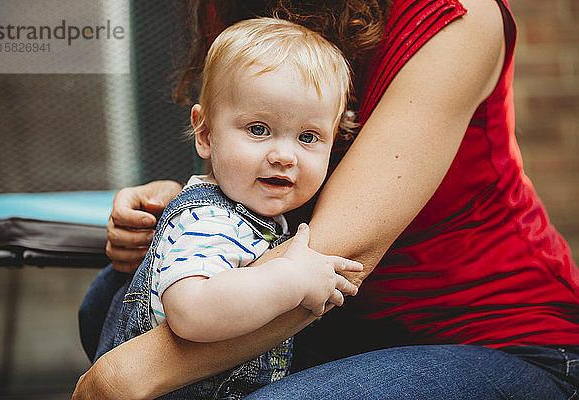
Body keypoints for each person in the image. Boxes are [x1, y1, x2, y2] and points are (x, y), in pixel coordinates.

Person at [74, 0, 579, 399]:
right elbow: (253, 151)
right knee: (108, 301)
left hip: (485, 331)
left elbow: (340, 255)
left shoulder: (456, 18)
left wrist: (123, 377)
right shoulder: (237, 4)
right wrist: (180, 208)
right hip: (340, 326)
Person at [79, 17, 363, 399]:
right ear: (206, 134)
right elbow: (191, 312)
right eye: (258, 129)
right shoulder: (209, 220)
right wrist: (291, 280)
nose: (283, 155)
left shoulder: (252, 217)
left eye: (308, 137)